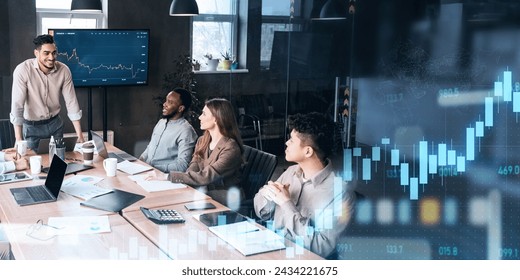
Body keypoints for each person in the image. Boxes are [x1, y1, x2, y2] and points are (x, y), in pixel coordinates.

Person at [253, 112, 355, 259]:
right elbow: (262, 213)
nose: (286, 143)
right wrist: (268, 195)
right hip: (270, 249)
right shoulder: (291, 172)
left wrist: (286, 204)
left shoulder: (341, 194)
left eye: (292, 141)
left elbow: (320, 248)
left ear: (308, 151)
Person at [147, 98, 244, 208]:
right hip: (204, 189)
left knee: (182, 200)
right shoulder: (202, 140)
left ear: (216, 119)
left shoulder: (230, 148)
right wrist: (186, 182)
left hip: (226, 195)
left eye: (204, 114)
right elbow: (194, 165)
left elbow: (207, 176)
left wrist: (167, 177)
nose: (199, 117)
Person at [10, 34, 85, 151]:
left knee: (59, 162)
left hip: (55, 125)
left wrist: (80, 135)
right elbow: (17, 105)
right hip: (32, 127)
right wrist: (18, 139)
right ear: (36, 53)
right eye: (46, 53)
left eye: (54, 53)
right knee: (33, 165)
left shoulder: (64, 70)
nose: (51, 57)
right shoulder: (22, 70)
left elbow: (71, 102)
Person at [140, 88, 198, 173]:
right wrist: (140, 160)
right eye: (166, 100)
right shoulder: (161, 122)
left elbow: (183, 165)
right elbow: (151, 147)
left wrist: (154, 168)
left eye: (170, 102)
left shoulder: (186, 131)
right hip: (147, 171)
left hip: (163, 177)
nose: (164, 104)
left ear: (180, 108)